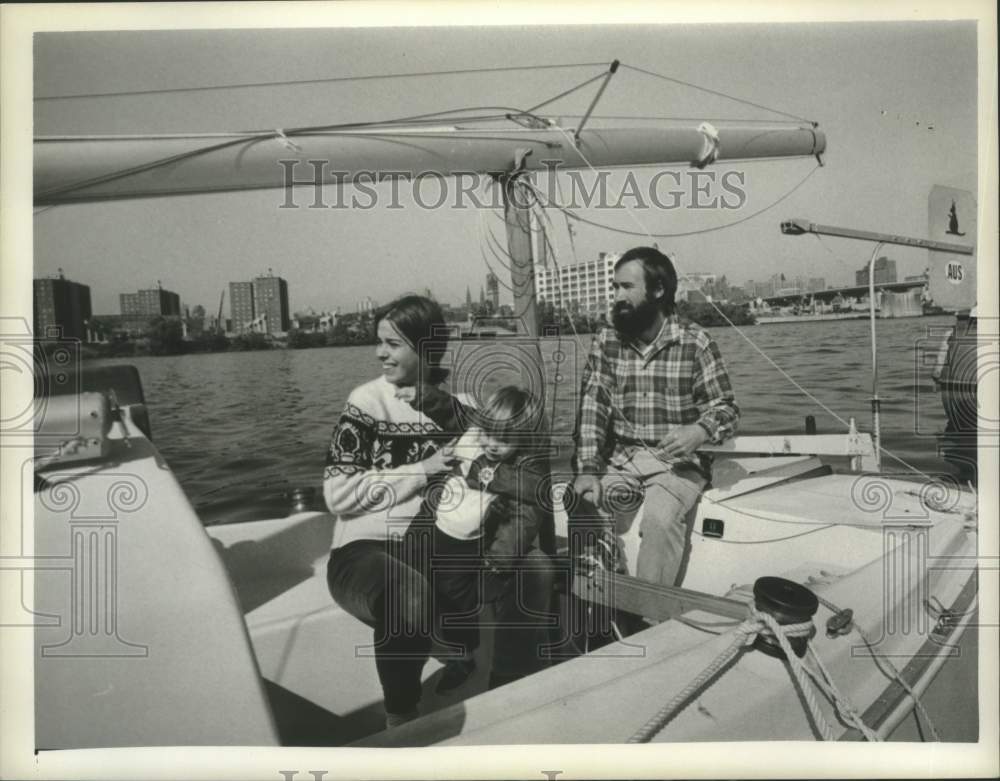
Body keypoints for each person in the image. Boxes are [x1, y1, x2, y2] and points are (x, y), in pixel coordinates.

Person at [323, 295, 458, 728]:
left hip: (432, 549)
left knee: (535, 567)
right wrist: (424, 468)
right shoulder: (365, 402)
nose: (380, 353)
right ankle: (402, 721)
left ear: (428, 349)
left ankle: (511, 686)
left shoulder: (455, 407)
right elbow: (338, 495)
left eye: (394, 344)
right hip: (363, 554)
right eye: (379, 342)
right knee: (408, 593)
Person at [570, 246, 739, 591]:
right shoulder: (607, 340)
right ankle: (602, 599)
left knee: (660, 521)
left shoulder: (696, 342)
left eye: (627, 287)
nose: (617, 296)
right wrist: (588, 469)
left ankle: (647, 619)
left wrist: (699, 429)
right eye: (615, 287)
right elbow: (593, 406)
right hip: (623, 459)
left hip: (679, 464)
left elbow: (727, 409)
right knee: (582, 500)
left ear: (658, 291)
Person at [398, 383, 554, 692]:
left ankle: (472, 660)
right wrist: (422, 395)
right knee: (410, 581)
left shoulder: (522, 470)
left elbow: (523, 520)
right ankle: (424, 645)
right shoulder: (473, 429)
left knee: (460, 602)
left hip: (471, 545)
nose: (492, 444)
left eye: (504, 439)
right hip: (429, 528)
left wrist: (496, 563)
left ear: (522, 440)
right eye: (488, 433)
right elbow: (450, 408)